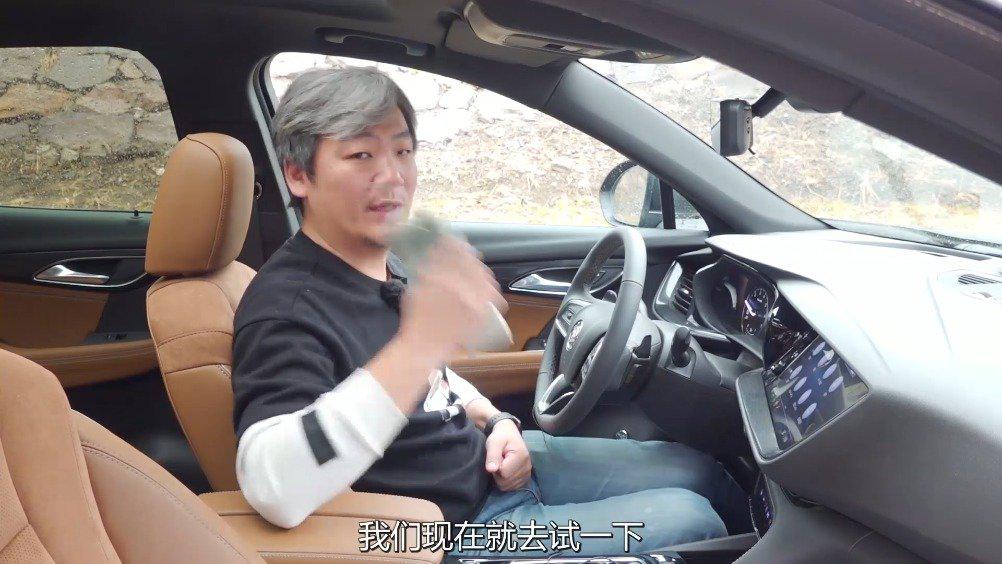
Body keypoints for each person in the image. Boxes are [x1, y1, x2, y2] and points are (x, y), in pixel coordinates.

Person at [231, 66, 747, 557]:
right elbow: (274, 485)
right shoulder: (285, 308)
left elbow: (432, 383)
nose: (392, 176)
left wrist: (496, 421)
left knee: (700, 471)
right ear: (298, 175)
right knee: (690, 521)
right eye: (361, 155)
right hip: (450, 535)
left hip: (489, 467)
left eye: (403, 151)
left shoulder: (385, 262)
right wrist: (420, 342)